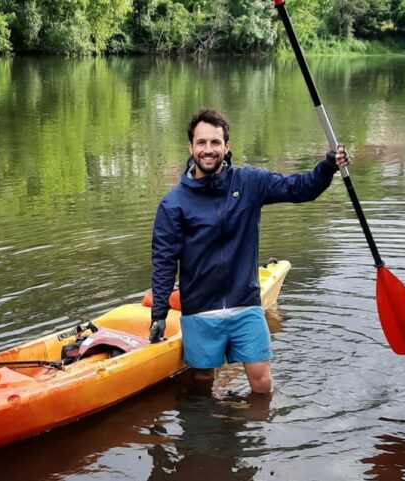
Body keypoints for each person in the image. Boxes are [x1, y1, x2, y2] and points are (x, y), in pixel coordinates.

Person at [149, 107, 348, 394]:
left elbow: (300, 188)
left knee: (262, 383)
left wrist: (328, 166)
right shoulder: (173, 203)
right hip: (200, 311)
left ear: (226, 147)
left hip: (246, 305)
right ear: (190, 147)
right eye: (202, 143)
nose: (208, 150)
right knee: (202, 384)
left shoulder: (249, 183)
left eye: (215, 143)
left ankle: (258, 433)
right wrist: (159, 314)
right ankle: (207, 433)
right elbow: (164, 261)